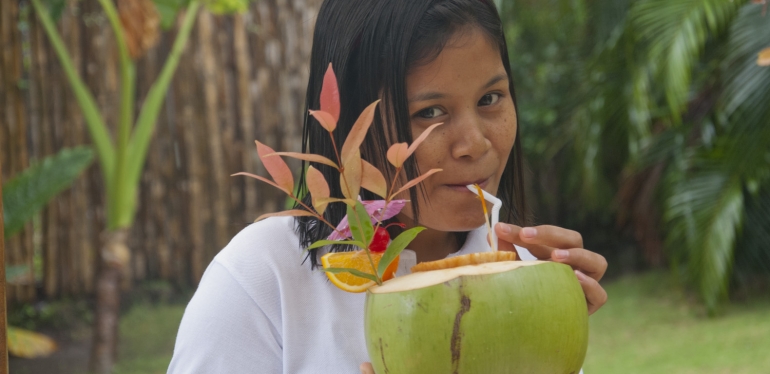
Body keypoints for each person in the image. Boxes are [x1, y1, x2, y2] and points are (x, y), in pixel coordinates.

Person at [167, 0, 608, 373]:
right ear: (351, 133)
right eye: (430, 113)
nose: (475, 144)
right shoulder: (261, 280)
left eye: (490, 99)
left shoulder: (521, 268)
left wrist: (555, 340)